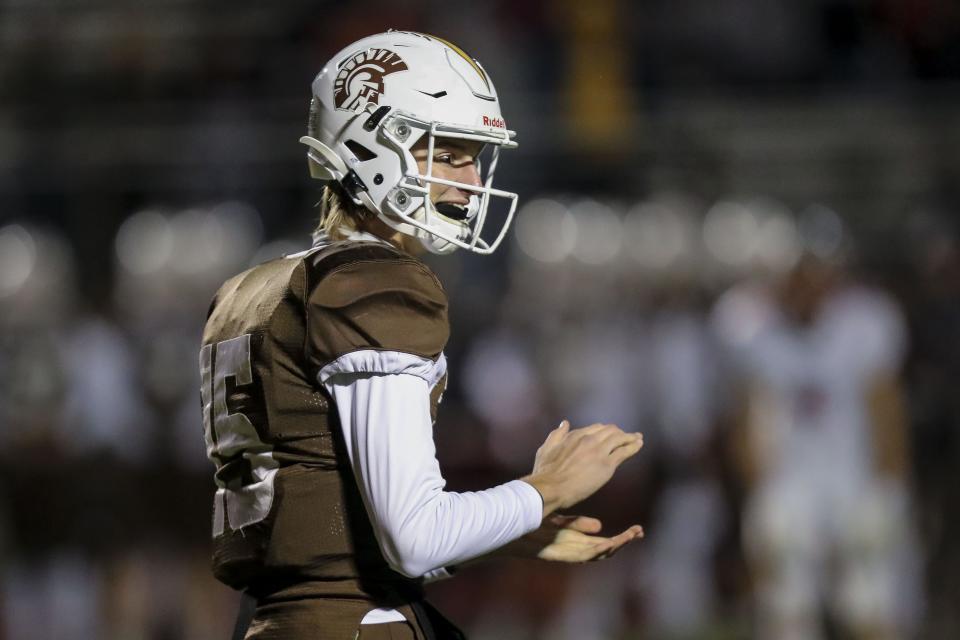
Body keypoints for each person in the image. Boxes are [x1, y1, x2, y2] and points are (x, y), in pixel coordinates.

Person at [199, 31, 644, 640]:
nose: (470, 178)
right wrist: (542, 490)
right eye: (448, 152)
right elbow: (413, 539)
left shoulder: (252, 289)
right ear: (372, 146)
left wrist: (502, 532)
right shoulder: (374, 285)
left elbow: (331, 528)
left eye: (474, 156)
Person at [712, 252, 921, 640]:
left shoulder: (865, 323)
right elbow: (743, 421)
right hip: (789, 482)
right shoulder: (750, 328)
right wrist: (758, 492)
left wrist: (888, 487)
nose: (805, 290)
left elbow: (887, 409)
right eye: (797, 279)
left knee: (868, 603)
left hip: (854, 478)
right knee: (787, 607)